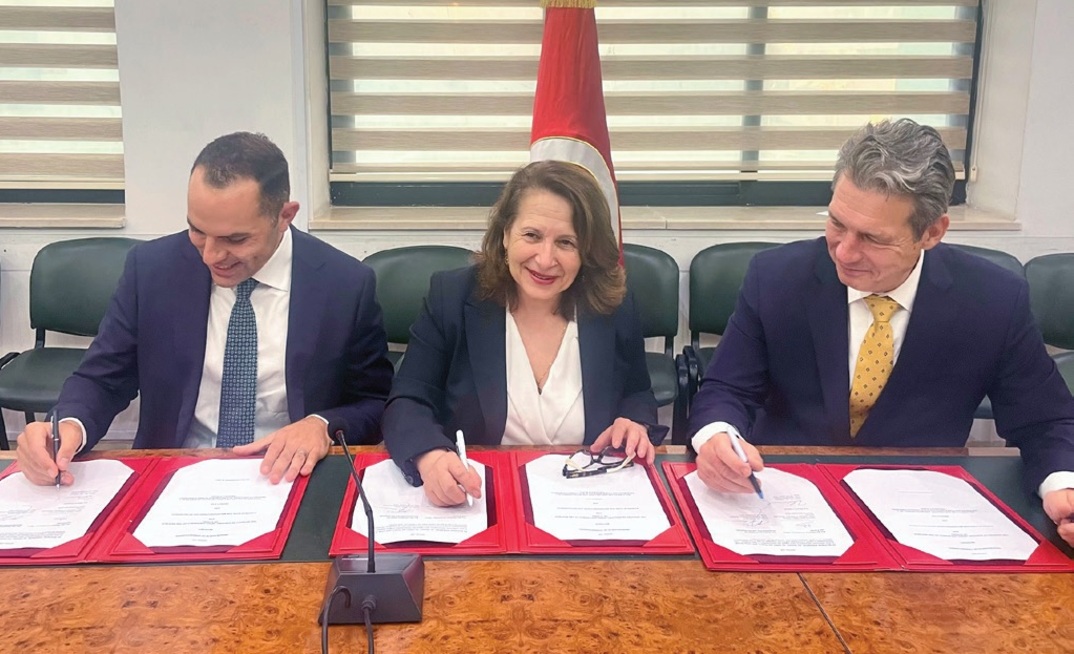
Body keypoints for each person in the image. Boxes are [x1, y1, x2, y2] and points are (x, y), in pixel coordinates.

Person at [689, 118, 1074, 546]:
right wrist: (717, 436)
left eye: (873, 238)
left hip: (923, 523)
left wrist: (1063, 485)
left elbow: (1046, 421)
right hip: (785, 511)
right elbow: (726, 389)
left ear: (932, 232)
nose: (844, 251)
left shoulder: (993, 300)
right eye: (837, 223)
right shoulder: (777, 277)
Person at [16, 132, 393, 486]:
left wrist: (321, 423)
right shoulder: (152, 270)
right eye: (198, 231)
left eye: (235, 239)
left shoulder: (344, 284)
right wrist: (67, 426)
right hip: (173, 471)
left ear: (284, 215)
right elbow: (103, 377)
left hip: (291, 476)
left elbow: (375, 403)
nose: (212, 256)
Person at [383, 160, 665, 506]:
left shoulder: (612, 307)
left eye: (566, 242)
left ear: (587, 252)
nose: (545, 260)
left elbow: (637, 392)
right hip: (480, 497)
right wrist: (430, 456)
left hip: (585, 499)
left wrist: (634, 421)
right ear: (504, 235)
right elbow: (408, 400)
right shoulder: (453, 297)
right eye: (531, 236)